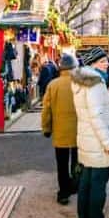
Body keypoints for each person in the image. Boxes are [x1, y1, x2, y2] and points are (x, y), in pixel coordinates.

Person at [71, 47, 109, 218]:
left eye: (106, 60)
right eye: (102, 61)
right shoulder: (95, 83)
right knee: (98, 186)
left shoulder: (82, 81)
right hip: (98, 143)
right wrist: (108, 143)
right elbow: (97, 116)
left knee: (86, 183)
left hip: (88, 141)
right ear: (92, 64)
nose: (107, 63)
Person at [42, 52, 80, 205]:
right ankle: (76, 186)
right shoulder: (80, 84)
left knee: (62, 164)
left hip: (60, 132)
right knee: (78, 162)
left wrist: (46, 127)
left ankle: (63, 192)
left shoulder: (53, 85)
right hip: (79, 131)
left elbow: (46, 109)